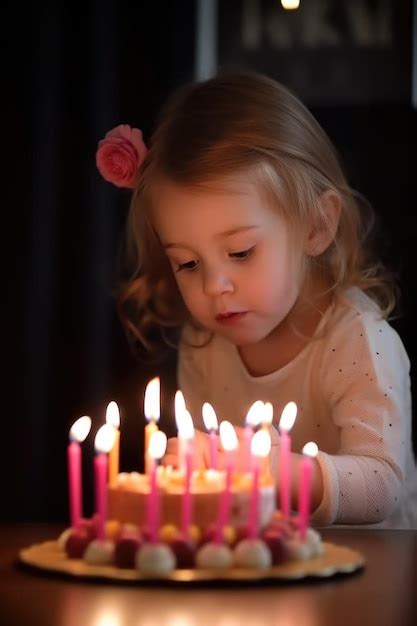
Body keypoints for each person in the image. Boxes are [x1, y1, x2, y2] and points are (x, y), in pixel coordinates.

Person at [96, 72, 417, 528]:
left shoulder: (358, 341)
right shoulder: (205, 344)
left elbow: (381, 484)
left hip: (375, 579)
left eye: (241, 252)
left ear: (316, 226)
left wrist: (266, 468)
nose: (214, 286)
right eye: (187, 263)